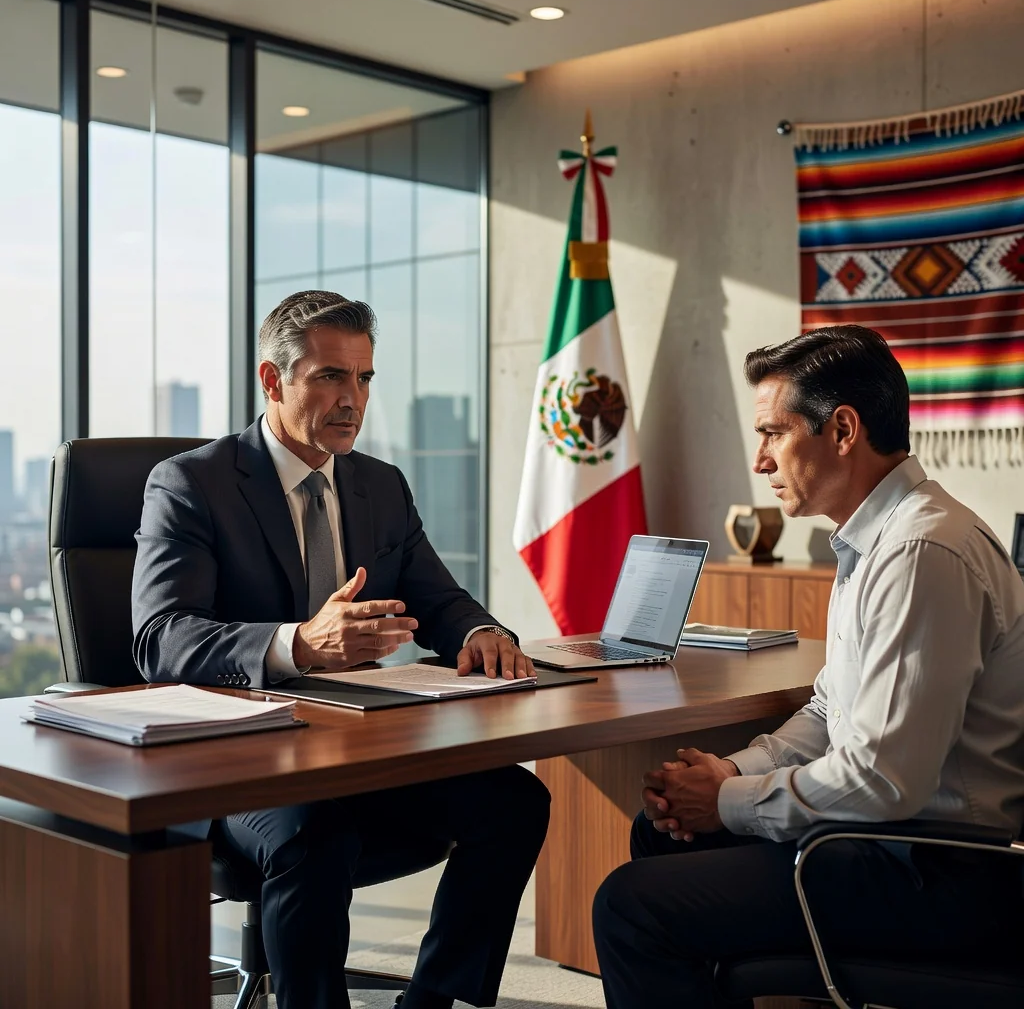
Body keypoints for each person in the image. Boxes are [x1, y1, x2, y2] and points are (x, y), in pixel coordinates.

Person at [131, 290, 550, 1009]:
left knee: (515, 801)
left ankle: (431, 1002)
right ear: (273, 381)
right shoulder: (192, 484)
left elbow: (437, 597)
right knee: (317, 835)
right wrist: (298, 644)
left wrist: (482, 633)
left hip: (358, 745)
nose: (351, 398)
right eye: (329, 376)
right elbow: (160, 637)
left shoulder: (379, 485)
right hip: (237, 763)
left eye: (363, 378)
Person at [592, 325, 1024, 1008]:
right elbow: (831, 711)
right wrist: (733, 772)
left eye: (772, 433)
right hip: (882, 846)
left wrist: (729, 803)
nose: (760, 459)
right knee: (660, 833)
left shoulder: (921, 553)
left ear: (843, 430)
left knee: (630, 907)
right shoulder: (874, 541)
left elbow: (885, 781)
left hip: (938, 873)